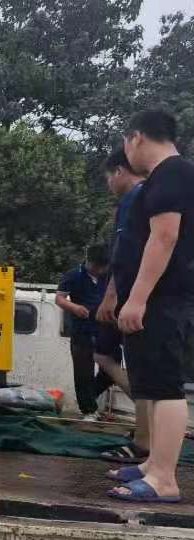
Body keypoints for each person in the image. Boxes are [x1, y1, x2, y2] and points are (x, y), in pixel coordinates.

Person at [107, 109, 194, 503]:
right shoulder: (169, 176)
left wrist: (138, 298)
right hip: (157, 299)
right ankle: (153, 464)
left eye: (126, 144)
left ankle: (164, 479)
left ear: (136, 137)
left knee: (166, 388)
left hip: (162, 299)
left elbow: (164, 237)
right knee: (154, 387)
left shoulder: (171, 174)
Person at [95, 148, 149, 462]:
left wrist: (113, 295)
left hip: (135, 298)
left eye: (108, 178)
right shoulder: (153, 197)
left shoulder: (135, 200)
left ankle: (144, 442)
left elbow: (125, 255)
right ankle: (147, 434)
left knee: (145, 371)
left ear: (119, 171)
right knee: (146, 370)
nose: (109, 185)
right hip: (145, 296)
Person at [56, 245, 111, 420]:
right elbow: (59, 298)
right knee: (83, 371)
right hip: (82, 329)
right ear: (89, 261)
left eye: (102, 267)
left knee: (112, 369)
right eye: (96, 267)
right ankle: (88, 410)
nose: (99, 271)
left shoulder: (109, 276)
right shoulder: (73, 275)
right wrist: (75, 308)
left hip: (105, 328)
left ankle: (89, 397)